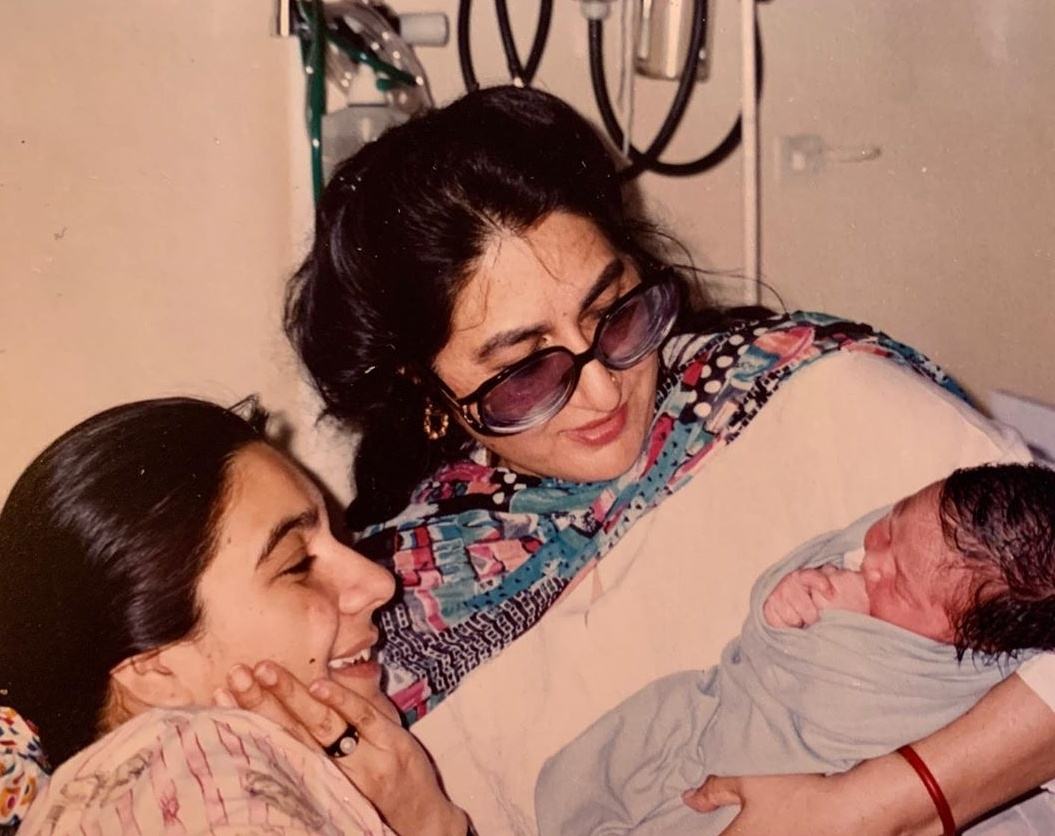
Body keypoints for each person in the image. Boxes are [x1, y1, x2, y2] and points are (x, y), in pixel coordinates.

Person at [284, 83, 1055, 833]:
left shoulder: (816, 399)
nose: (601, 392)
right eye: (524, 371)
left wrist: (882, 806)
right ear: (423, 388)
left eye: (614, 315)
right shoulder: (397, 612)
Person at [0, 397, 468, 835]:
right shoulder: (197, 781)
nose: (378, 583)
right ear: (154, 669)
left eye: (339, 538)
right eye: (298, 565)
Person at [535, 463, 1055, 834]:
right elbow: (767, 635)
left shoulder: (953, 673)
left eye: (897, 583)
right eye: (890, 524)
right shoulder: (925, 543)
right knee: (636, 742)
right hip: (728, 711)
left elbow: (855, 710)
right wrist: (794, 595)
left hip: (792, 759)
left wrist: (836, 627)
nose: (871, 556)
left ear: (974, 641)